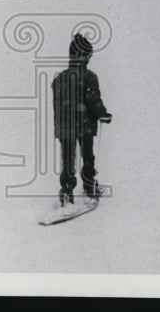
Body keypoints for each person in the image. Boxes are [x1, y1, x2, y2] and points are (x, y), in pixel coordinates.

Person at [52, 33, 112, 206]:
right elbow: (93, 101)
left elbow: (57, 105)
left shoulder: (59, 79)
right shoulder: (90, 77)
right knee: (87, 157)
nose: (89, 59)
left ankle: (67, 192)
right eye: (88, 55)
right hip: (83, 125)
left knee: (68, 161)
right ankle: (89, 188)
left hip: (64, 127)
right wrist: (103, 114)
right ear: (83, 56)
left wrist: (61, 125)